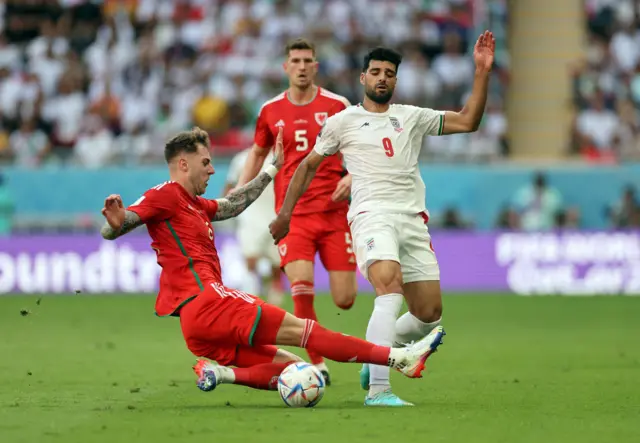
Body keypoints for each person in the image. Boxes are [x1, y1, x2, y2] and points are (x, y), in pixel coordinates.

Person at [99, 126, 445, 396]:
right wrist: (117, 224)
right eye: (206, 162)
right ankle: (398, 358)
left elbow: (232, 204)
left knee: (298, 371)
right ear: (183, 163)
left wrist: (271, 169)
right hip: (207, 301)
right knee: (308, 333)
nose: (212, 170)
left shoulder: (192, 203)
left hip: (195, 326)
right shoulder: (165, 194)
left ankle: (220, 374)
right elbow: (121, 222)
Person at [270, 31, 496, 406]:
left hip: (412, 219)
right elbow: (307, 166)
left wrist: (482, 72)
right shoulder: (344, 121)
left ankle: (377, 352)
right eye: (375, 71)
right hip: (371, 216)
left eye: (389, 73)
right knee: (388, 287)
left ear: (396, 80)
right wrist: (285, 214)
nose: (382, 78)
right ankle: (379, 388)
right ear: (363, 78)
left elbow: (469, 120)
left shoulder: (413, 117)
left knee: (428, 314)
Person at [236, 38, 356, 384]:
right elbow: (257, 154)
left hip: (334, 214)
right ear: (286, 67)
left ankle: (320, 351)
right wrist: (242, 192)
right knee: (301, 288)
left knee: (345, 299)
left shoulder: (337, 105)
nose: (302, 66)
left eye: (308, 60)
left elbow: (359, 148)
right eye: (296, 60)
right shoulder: (270, 110)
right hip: (294, 216)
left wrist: (352, 177)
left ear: (315, 67)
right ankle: (317, 362)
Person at [223, 148, 284, 305]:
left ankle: (273, 301)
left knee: (277, 267)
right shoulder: (241, 159)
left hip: (275, 218)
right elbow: (229, 186)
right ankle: (251, 302)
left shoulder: (280, 158)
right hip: (250, 218)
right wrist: (226, 209)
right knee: (250, 261)